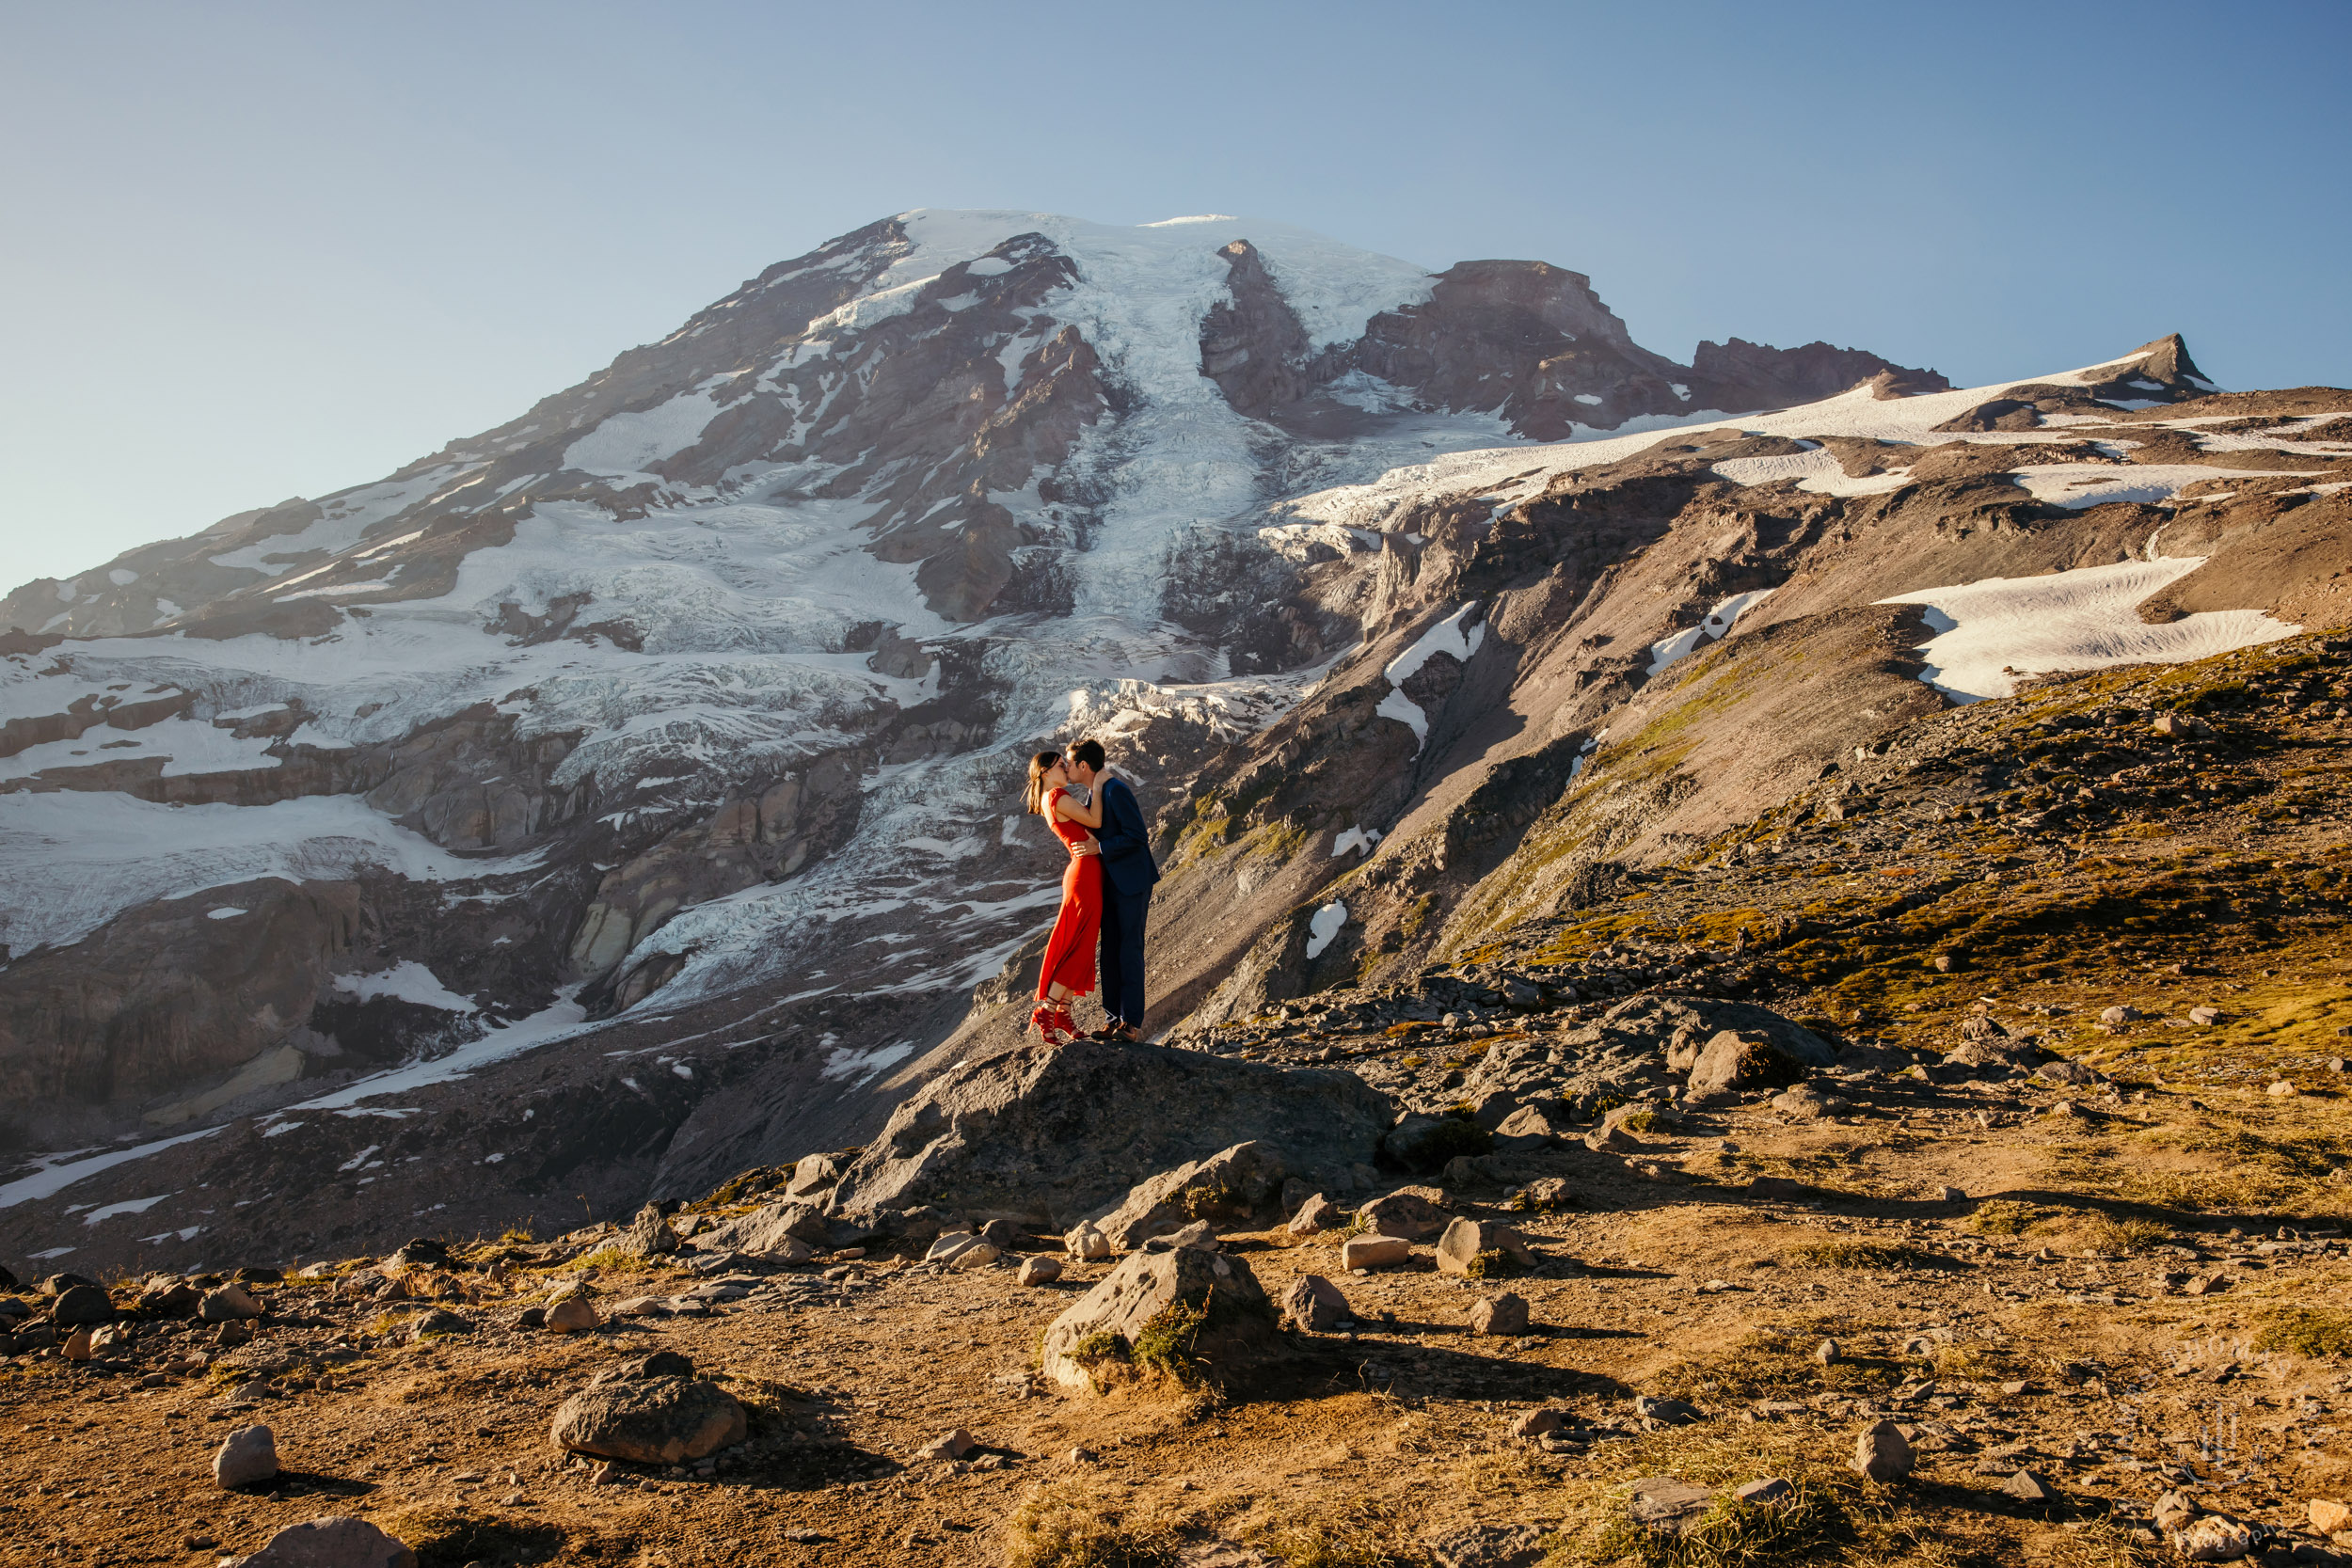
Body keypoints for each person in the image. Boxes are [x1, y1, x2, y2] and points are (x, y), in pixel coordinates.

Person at [1063, 738, 1158, 1042]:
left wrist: (1099, 847)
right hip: (1111, 886)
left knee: (1129, 950)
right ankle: (1112, 1018)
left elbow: (1138, 836)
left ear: (1083, 765)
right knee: (1110, 952)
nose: (1065, 768)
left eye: (1069, 762)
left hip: (1131, 884)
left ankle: (1130, 1023)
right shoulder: (1097, 792)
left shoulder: (1116, 791)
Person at [1023, 750, 1104, 1045]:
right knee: (1078, 945)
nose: (1067, 768)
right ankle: (1047, 1010)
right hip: (1085, 872)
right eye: (1061, 765)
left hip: (1084, 871)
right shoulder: (1057, 797)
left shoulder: (1050, 799)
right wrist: (1099, 782)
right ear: (1045, 771)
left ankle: (1063, 1013)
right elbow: (1095, 819)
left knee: (1079, 944)